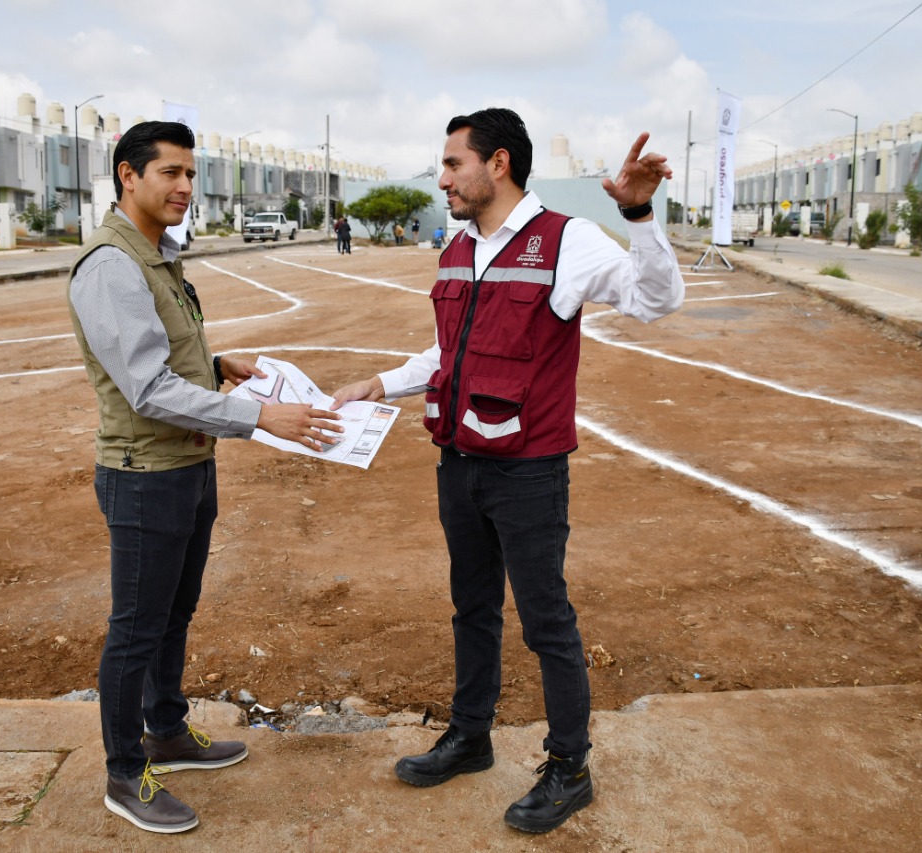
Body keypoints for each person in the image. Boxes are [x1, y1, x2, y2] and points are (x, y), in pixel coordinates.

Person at [331, 107, 683, 834]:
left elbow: (656, 300)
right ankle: (471, 735)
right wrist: (381, 383)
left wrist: (641, 214)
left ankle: (570, 766)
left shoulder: (566, 239)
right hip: (458, 462)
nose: (444, 177)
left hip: (528, 471)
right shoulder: (457, 246)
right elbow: (445, 352)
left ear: (498, 164)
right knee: (472, 607)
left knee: (547, 620)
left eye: (454, 162)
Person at [68, 120, 342, 835]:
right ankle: (126, 773)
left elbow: (165, 351)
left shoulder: (157, 256)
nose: (186, 187)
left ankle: (166, 729)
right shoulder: (111, 264)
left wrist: (217, 365)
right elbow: (146, 388)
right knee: (135, 627)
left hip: (187, 466)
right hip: (144, 475)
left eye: (191, 174)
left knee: (172, 613)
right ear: (128, 175)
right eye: (170, 173)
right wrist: (256, 416)